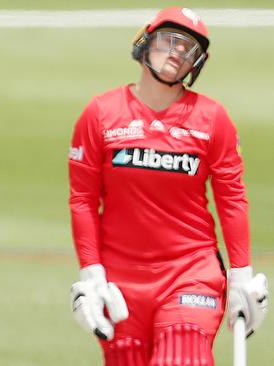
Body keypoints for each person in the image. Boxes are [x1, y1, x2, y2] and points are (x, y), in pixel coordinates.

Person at [67, 7, 269, 365]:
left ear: (196, 63)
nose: (177, 51)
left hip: (190, 275)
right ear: (144, 43)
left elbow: (232, 200)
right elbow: (82, 199)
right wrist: (91, 276)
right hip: (120, 284)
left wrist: (240, 277)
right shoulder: (100, 113)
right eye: (169, 40)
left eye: (187, 48)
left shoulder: (212, 119)